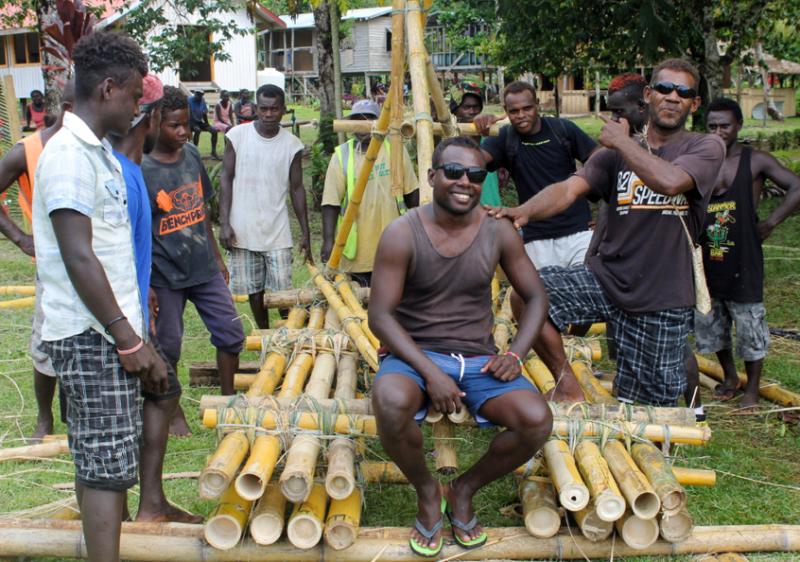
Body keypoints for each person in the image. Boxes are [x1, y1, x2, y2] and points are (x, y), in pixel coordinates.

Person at [369, 136, 573, 557]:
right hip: (415, 357)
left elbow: (535, 296)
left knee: (536, 419)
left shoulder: (498, 230)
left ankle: (462, 489)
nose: (465, 182)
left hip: (478, 360)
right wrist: (430, 372)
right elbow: (381, 316)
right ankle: (428, 491)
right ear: (432, 177)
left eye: (476, 175)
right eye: (454, 172)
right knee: (389, 401)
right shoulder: (402, 232)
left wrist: (515, 352)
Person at [489, 58, 726, 407]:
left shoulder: (704, 147)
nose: (672, 97)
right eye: (664, 88)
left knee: (648, 406)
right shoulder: (614, 154)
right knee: (526, 293)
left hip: (662, 296)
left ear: (694, 103)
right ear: (649, 95)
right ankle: (568, 385)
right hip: (606, 279)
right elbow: (570, 189)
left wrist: (623, 141)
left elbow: (672, 181)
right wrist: (523, 211)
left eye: (684, 92)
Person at [33, 31, 166, 561]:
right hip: (91, 336)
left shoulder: (102, 156)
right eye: (135, 95)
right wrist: (129, 340)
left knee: (101, 460)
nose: (139, 106)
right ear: (108, 88)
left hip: (106, 331)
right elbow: (79, 255)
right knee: (108, 468)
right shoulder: (68, 155)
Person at [108, 74, 201, 521]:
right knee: (136, 401)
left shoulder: (123, 167)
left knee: (161, 390)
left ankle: (150, 503)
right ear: (150, 119)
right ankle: (133, 509)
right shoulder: (120, 172)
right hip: (115, 316)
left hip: (131, 305)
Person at [695, 97, 800, 409]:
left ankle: (752, 388)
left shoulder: (755, 161)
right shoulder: (700, 160)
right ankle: (729, 376)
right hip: (706, 259)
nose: (718, 131)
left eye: (724, 125)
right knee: (712, 323)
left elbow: (796, 187)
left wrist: (770, 222)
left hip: (744, 259)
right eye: (712, 126)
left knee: (750, 325)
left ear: (738, 126)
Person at [142, 86, 245, 395]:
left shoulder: (190, 155)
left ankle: (228, 397)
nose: (184, 131)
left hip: (203, 267)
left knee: (231, 332)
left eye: (186, 123)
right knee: (168, 345)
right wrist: (146, 283)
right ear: (156, 122)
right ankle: (172, 410)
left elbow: (200, 209)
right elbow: (138, 232)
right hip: (165, 274)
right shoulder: (141, 167)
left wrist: (215, 256)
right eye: (174, 125)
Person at [0, 82, 73, 440]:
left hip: (94, 260)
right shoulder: (27, 150)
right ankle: (44, 418)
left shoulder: (97, 146)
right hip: (52, 266)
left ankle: (76, 413)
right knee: (46, 344)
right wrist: (20, 238)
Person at [474, 80, 598, 270]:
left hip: (578, 232)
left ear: (538, 105)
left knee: (588, 290)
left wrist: (606, 220)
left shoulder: (563, 130)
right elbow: (474, 161)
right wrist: (477, 133)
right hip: (536, 237)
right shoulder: (505, 138)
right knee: (543, 295)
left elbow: (601, 164)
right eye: (514, 111)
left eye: (527, 108)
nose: (521, 115)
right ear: (505, 110)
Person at [219, 84, 311, 328]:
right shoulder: (237, 136)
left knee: (283, 291)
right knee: (254, 288)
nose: (269, 114)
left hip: (277, 231)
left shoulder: (292, 145)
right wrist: (225, 223)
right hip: (243, 229)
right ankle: (263, 334)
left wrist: (305, 232)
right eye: (264, 109)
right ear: (256, 109)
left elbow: (297, 188)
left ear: (283, 110)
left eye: (274, 109)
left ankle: (288, 333)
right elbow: (225, 178)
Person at [320, 99, 419, 287]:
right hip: (358, 251)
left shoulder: (395, 149)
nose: (364, 124)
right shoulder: (342, 155)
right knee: (360, 302)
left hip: (394, 243)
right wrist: (327, 241)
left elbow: (412, 194)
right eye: (358, 119)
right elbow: (331, 203)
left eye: (369, 119)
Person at [449, 80, 504, 207]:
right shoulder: (449, 145)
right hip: (463, 216)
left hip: (492, 212)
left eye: (476, 107)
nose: (472, 111)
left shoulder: (491, 139)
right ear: (455, 111)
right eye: (466, 107)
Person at [188, 90, 218, 159]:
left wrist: (207, 124)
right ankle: (195, 152)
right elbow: (186, 114)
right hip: (190, 122)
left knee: (214, 131)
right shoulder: (189, 100)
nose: (199, 96)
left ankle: (213, 152)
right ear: (195, 94)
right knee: (197, 130)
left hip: (199, 122)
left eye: (201, 95)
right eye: (197, 94)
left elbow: (204, 113)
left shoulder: (202, 101)